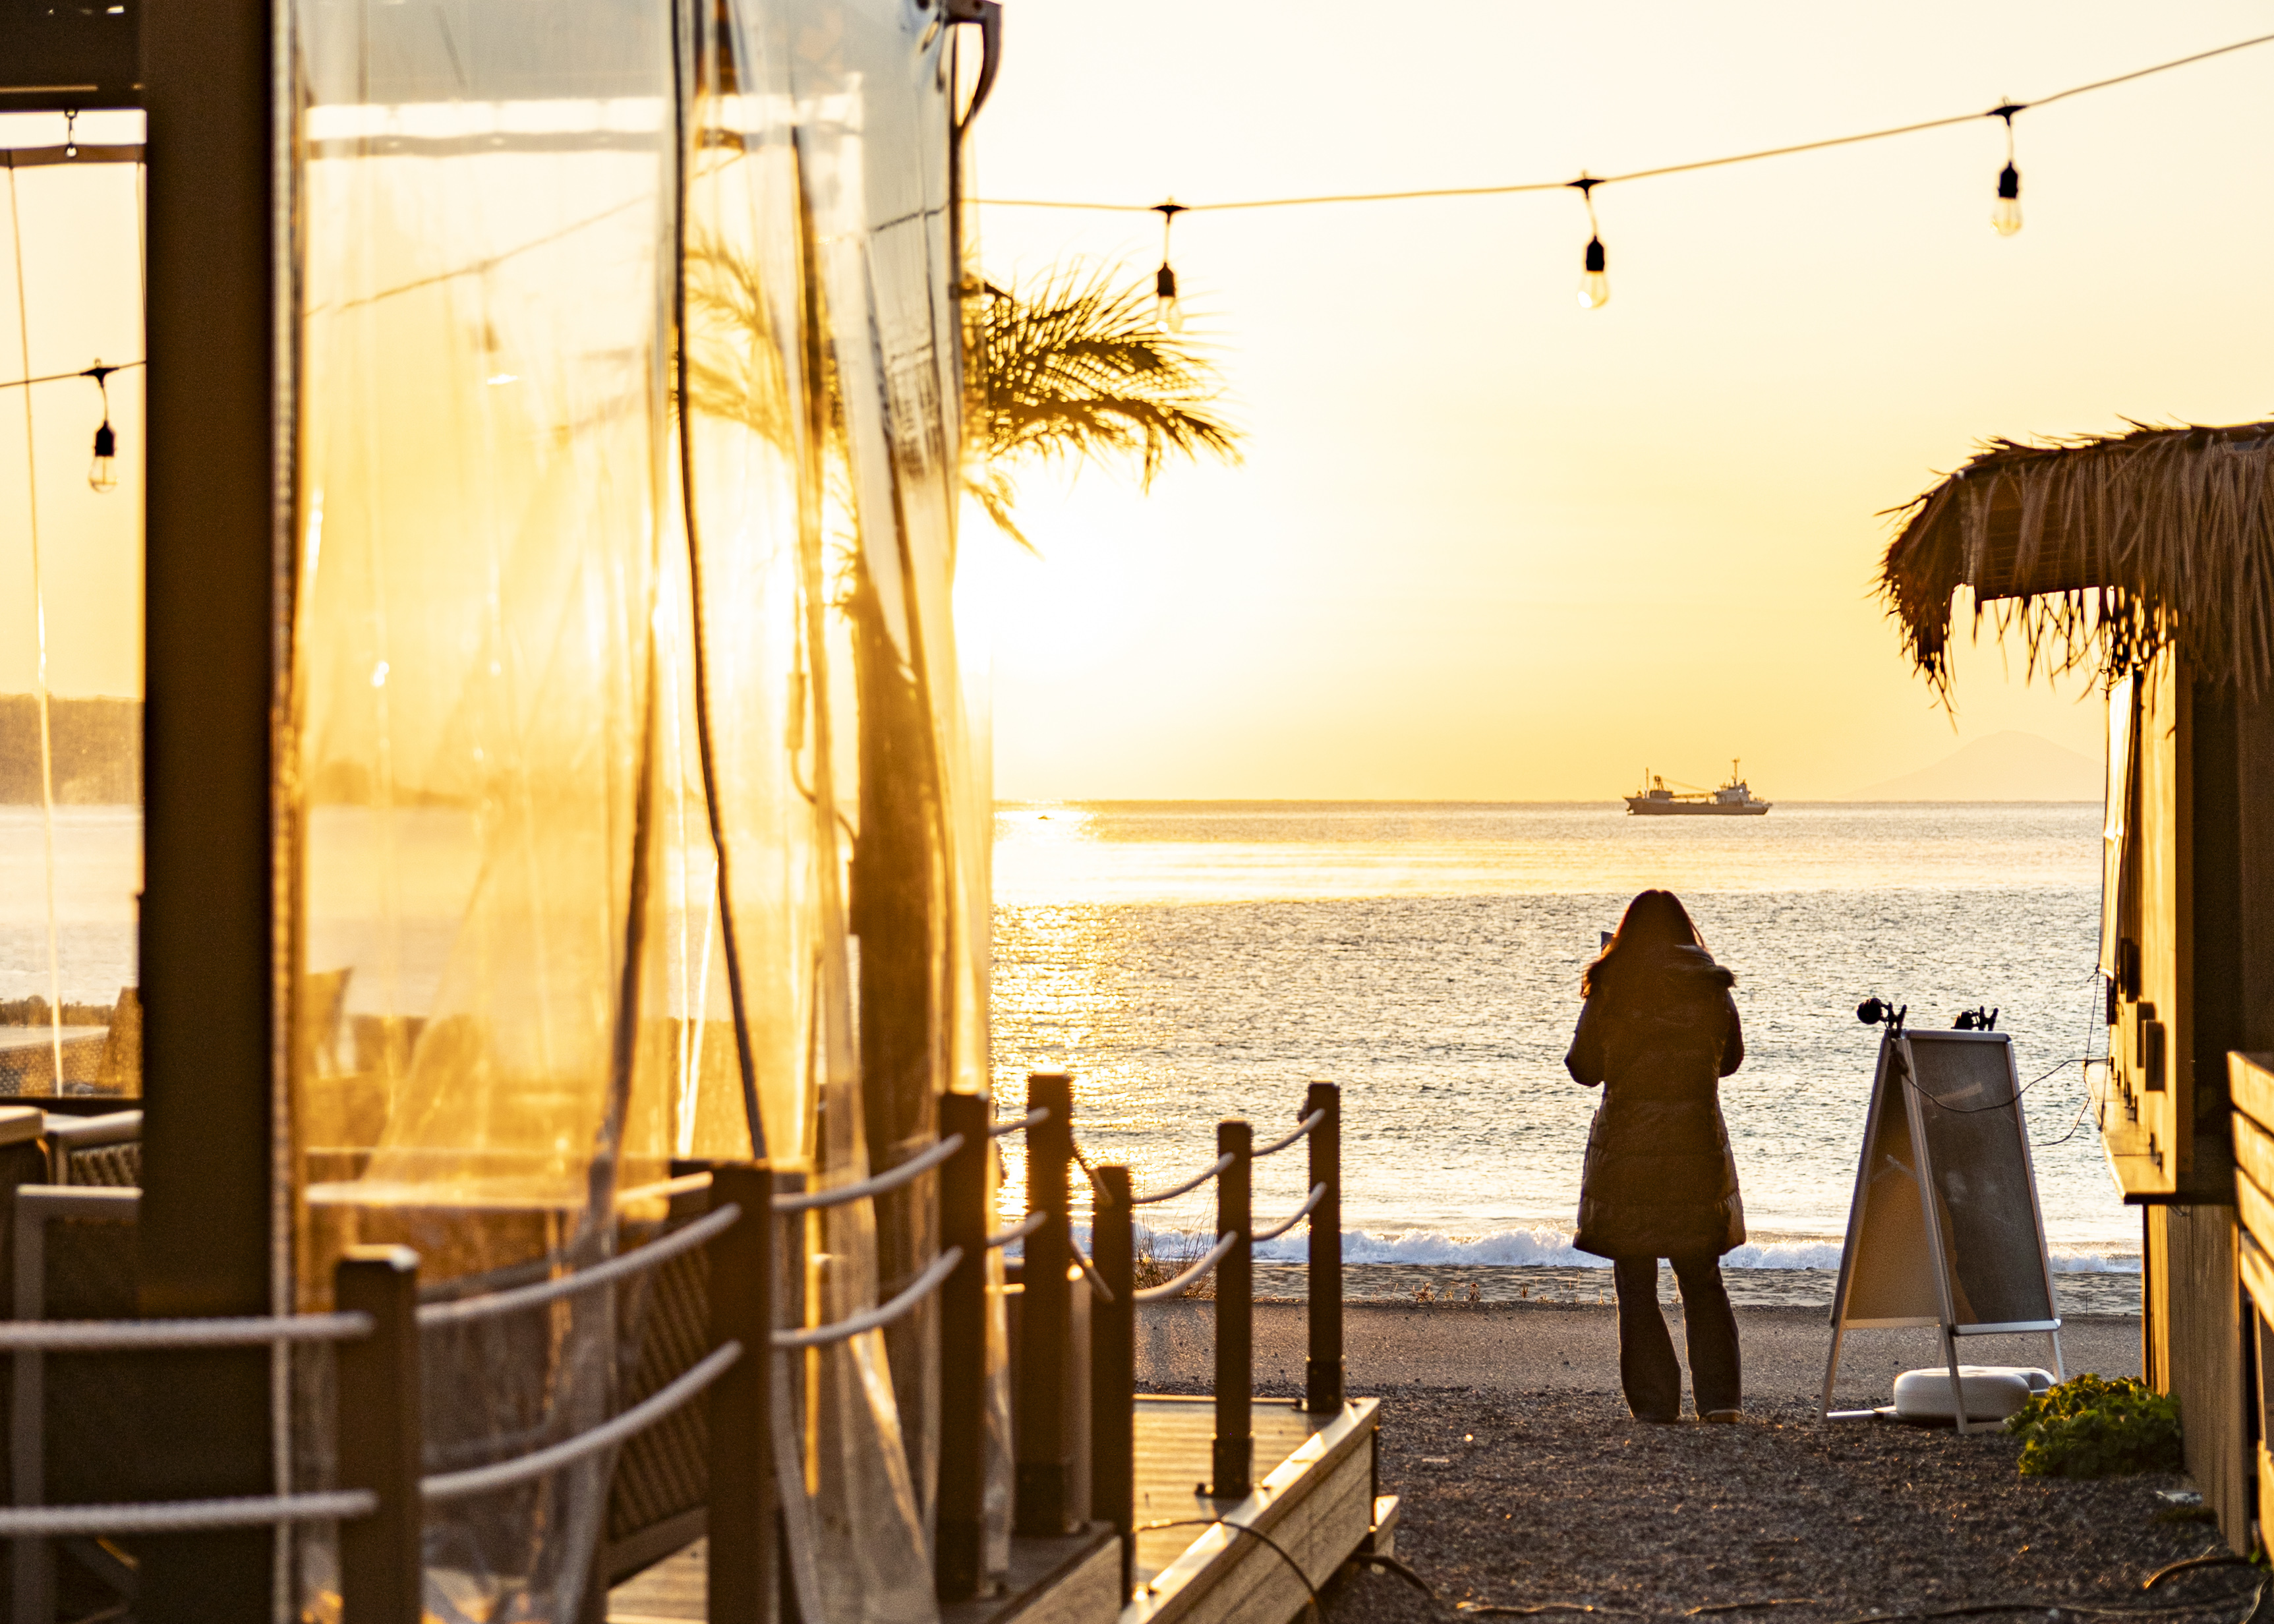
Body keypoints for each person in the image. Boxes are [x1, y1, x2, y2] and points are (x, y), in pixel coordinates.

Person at [1563, 889, 1746, 1424]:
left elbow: (1583, 1068)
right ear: (1686, 931)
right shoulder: (1712, 987)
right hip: (1696, 1148)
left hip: (1628, 1154)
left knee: (1635, 1279)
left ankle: (1655, 1406)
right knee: (1701, 1277)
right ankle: (1721, 1405)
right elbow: (1731, 1061)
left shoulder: (1612, 986)